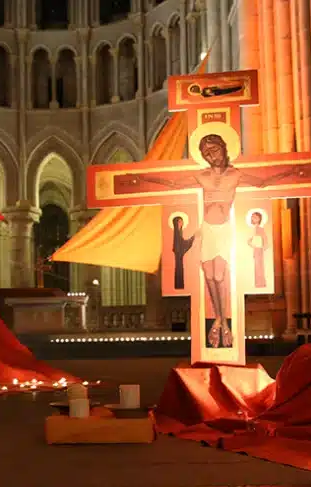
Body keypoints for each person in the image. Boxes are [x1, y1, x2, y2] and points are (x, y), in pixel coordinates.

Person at [124, 132, 295, 347]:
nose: (211, 156)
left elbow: (263, 182)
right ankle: (220, 320)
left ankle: (222, 321)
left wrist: (290, 172)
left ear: (223, 147)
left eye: (214, 150)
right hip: (207, 229)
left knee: (219, 275)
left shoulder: (236, 175)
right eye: (206, 154)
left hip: (223, 230)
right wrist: (144, 178)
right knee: (209, 275)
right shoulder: (202, 176)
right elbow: (173, 184)